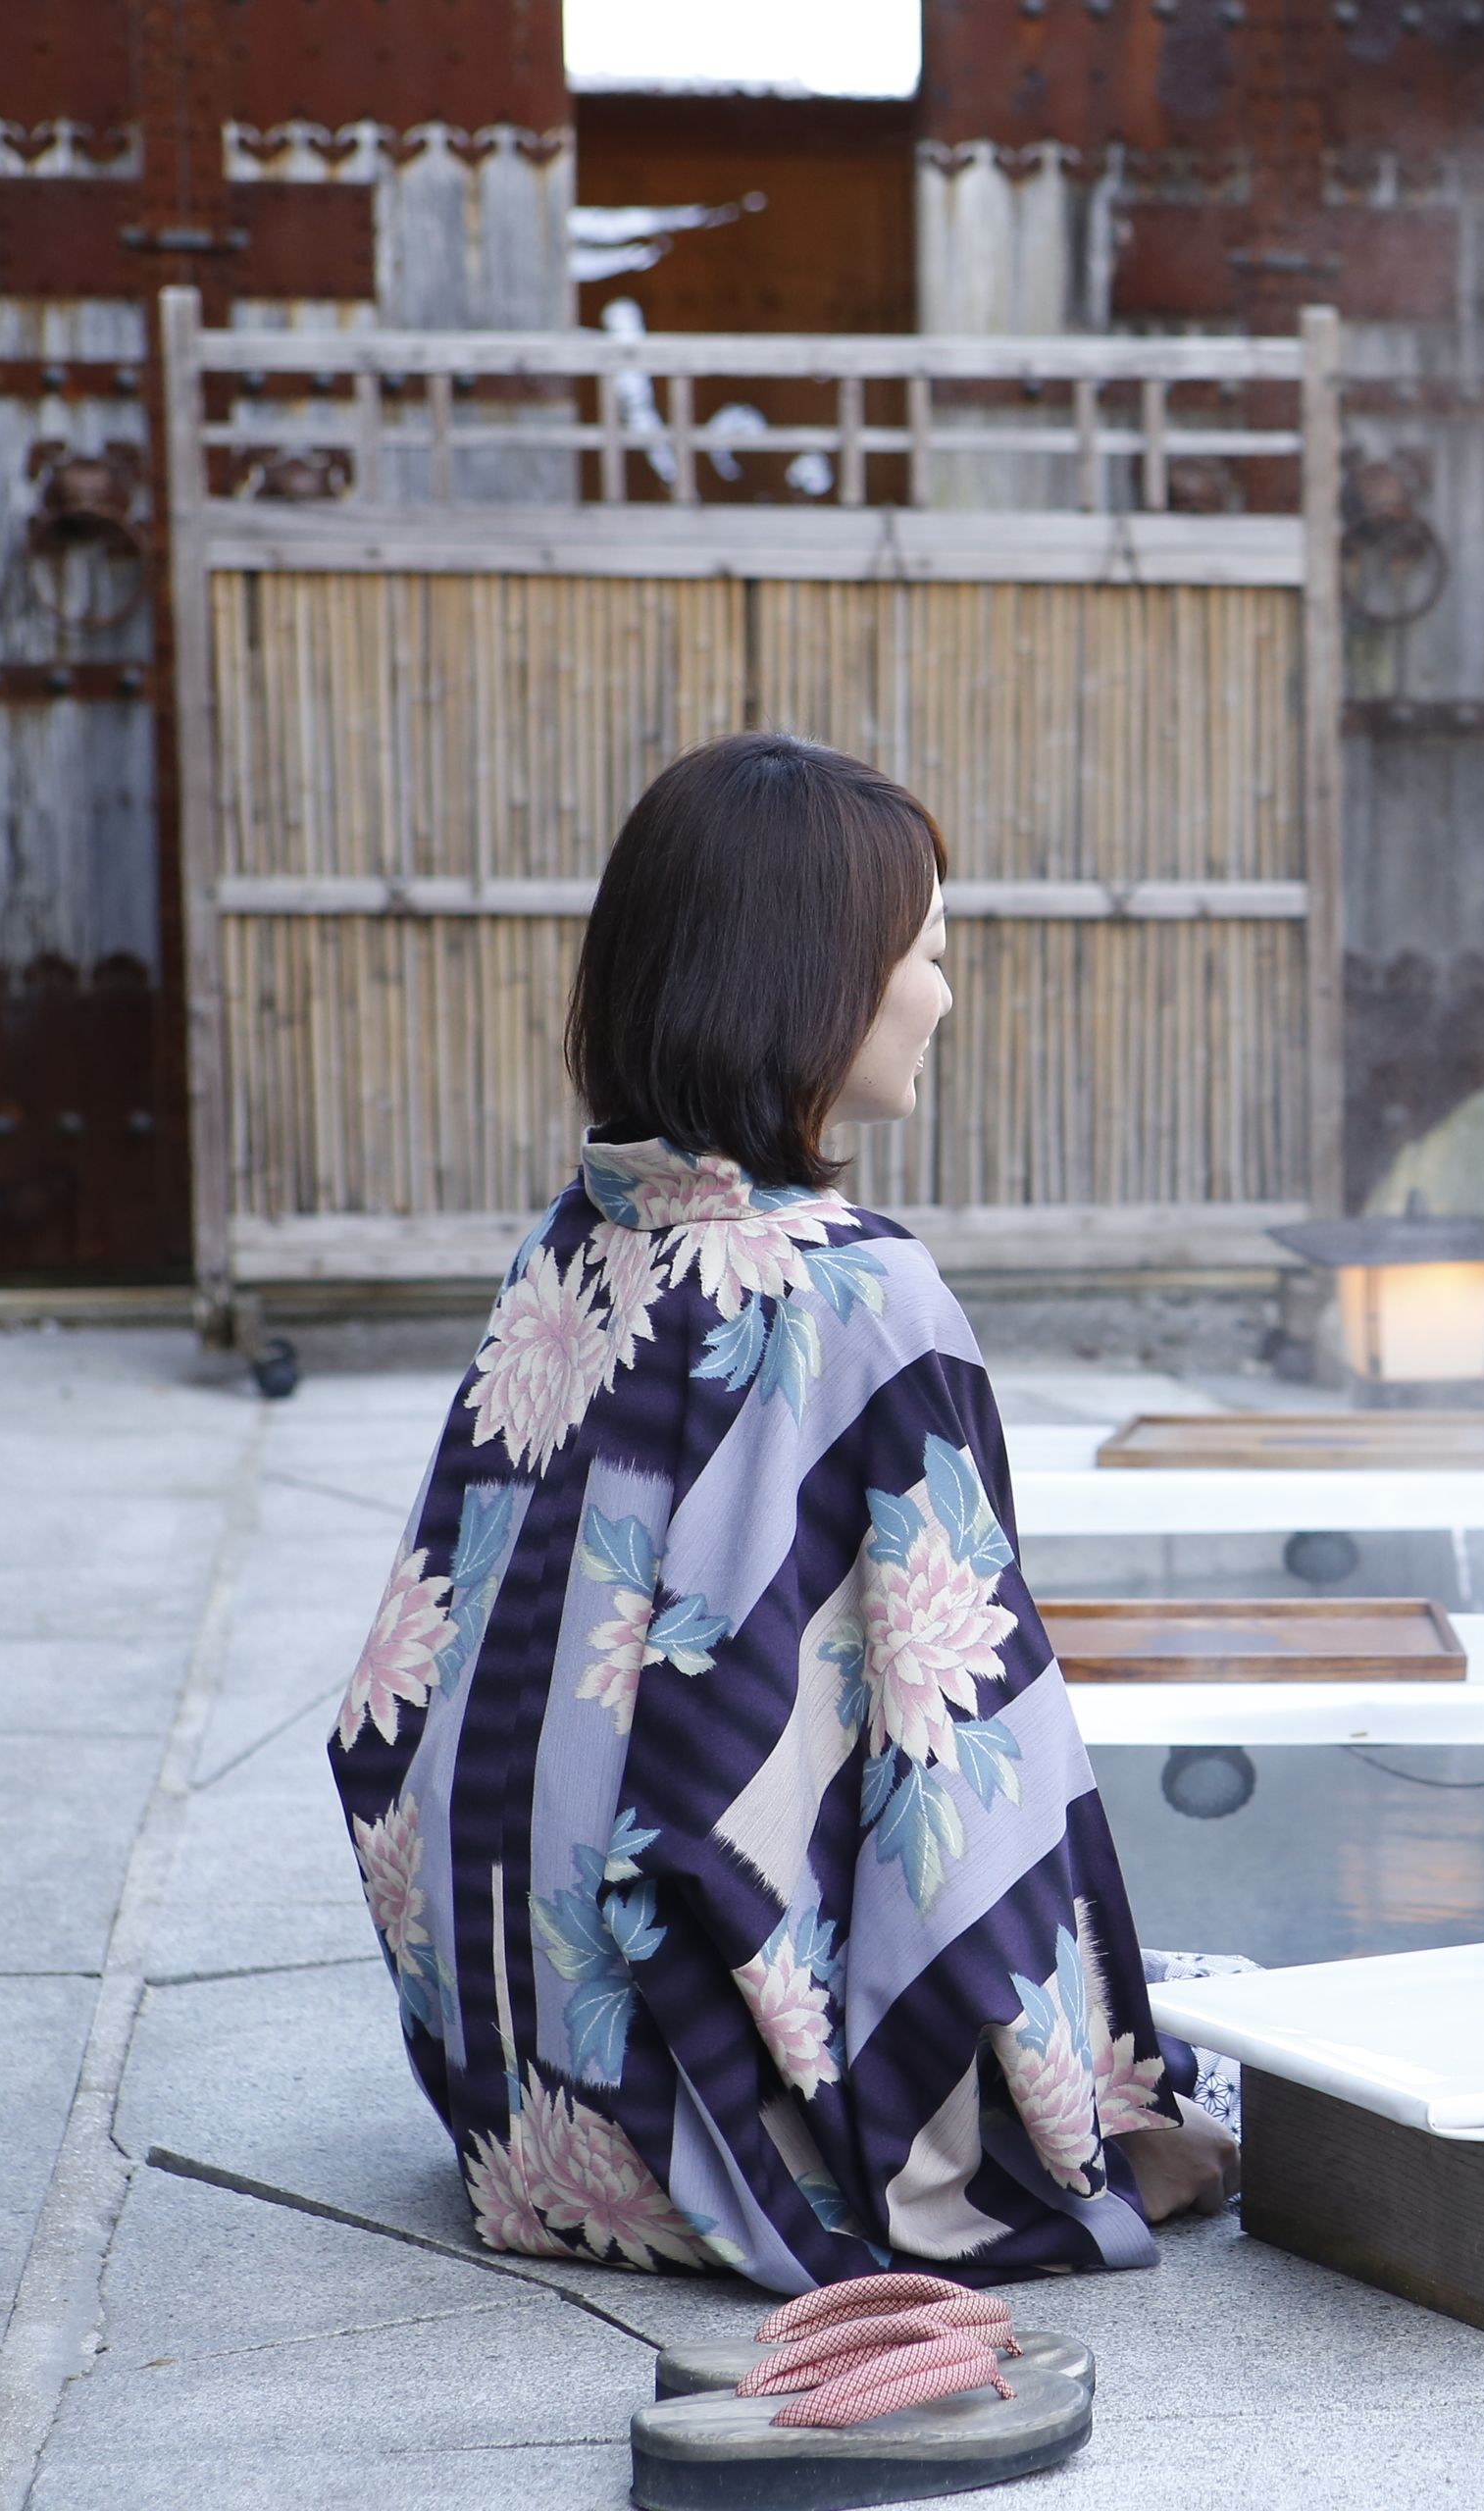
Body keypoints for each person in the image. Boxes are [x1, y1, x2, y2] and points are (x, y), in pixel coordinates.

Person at [328, 731, 1235, 2291]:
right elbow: (973, 1765)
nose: (944, 995)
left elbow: (411, 1695)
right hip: (723, 2132)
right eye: (925, 953)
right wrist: (1099, 2102)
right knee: (1108, 1939)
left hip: (529, 2109)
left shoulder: (578, 1242)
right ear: (814, 985)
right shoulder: (860, 1293)